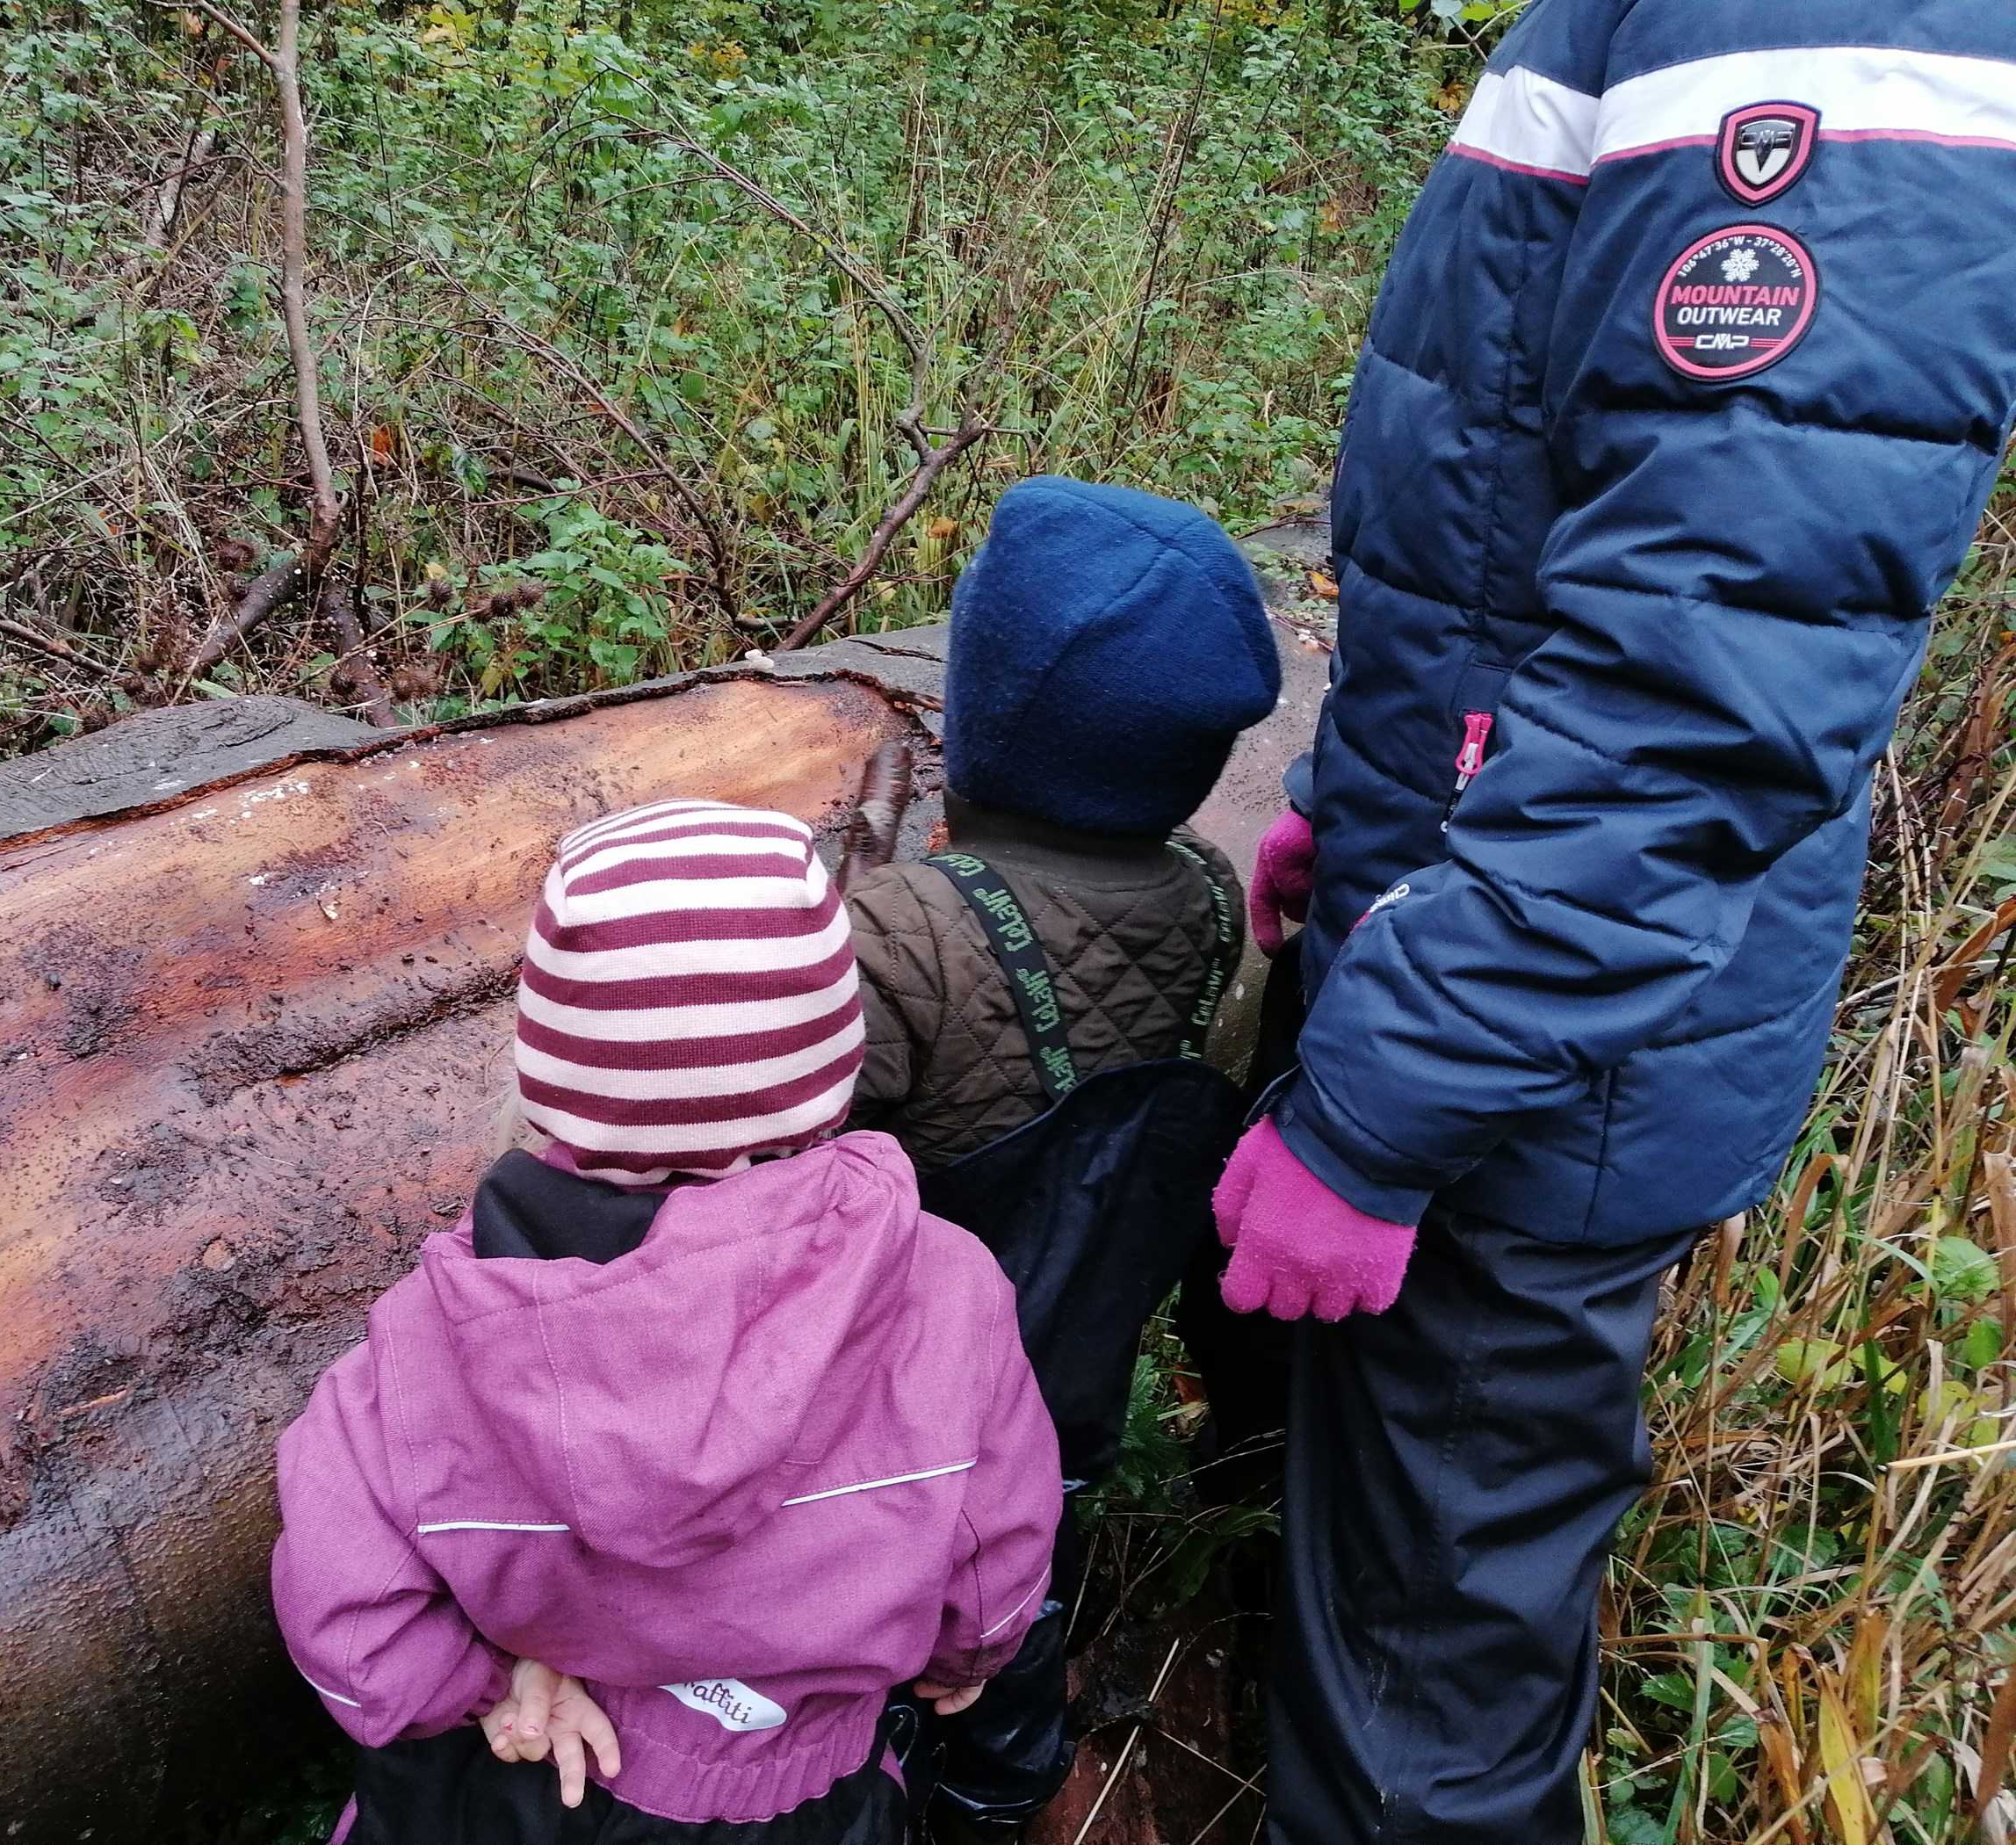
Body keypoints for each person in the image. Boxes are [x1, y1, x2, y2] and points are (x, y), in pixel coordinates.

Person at [1218, 4, 2016, 1840]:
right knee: (1398, 1594)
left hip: (1534, 1074)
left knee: (1422, 1734)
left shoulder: (1814, 29)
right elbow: (1511, 502)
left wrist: (1388, 1090)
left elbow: (1704, 679)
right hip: (1489, 951)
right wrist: (1359, 820)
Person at [270, 799, 1061, 1845]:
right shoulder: (947, 1289)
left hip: (522, 1788)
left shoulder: (431, 1332)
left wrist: (484, 1691)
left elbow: (346, 1604)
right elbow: (993, 1541)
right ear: (829, 1073)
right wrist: (972, 1655)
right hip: (803, 1793)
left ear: (551, 1079)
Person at [842, 475, 1284, 1836]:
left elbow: (771, 1161)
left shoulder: (902, 934)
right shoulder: (1217, 897)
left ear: (992, 709)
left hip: (894, 1426)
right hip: (1077, 1384)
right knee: (1029, 1566)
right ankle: (1010, 1773)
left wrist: (835, 897)